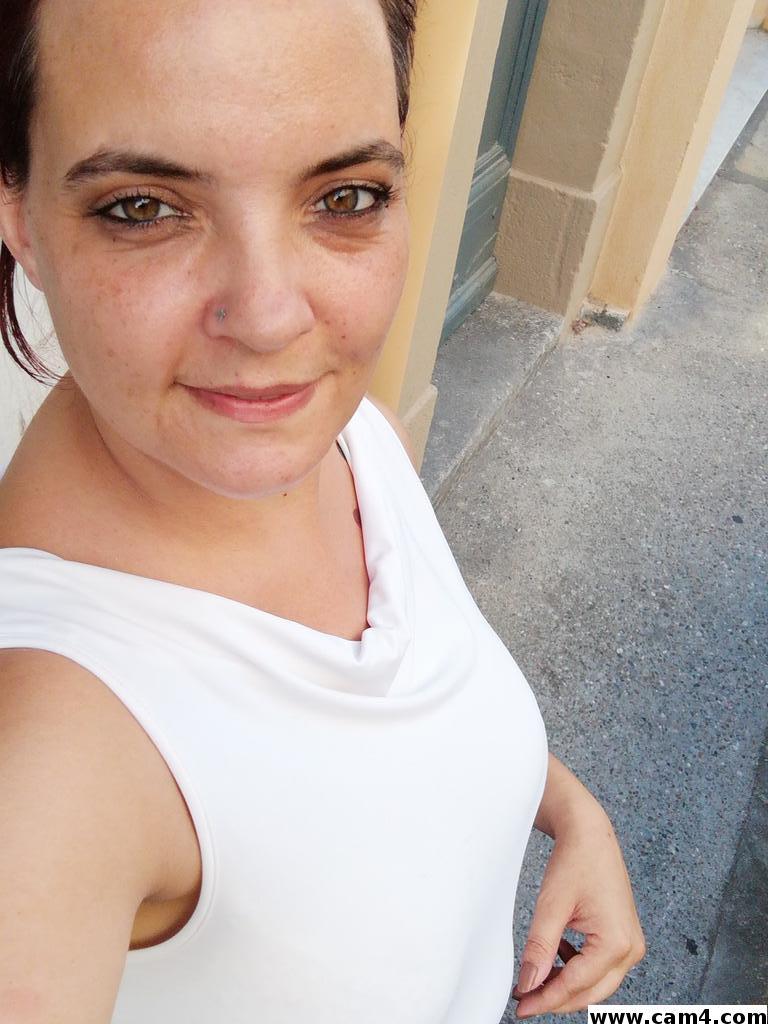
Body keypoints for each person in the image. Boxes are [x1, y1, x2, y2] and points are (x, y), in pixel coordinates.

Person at [0, 0, 645, 1021]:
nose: (269, 319)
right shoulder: (46, 759)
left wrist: (566, 807)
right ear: (19, 218)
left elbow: (361, 730)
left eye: (345, 196)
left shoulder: (344, 436)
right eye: (144, 207)